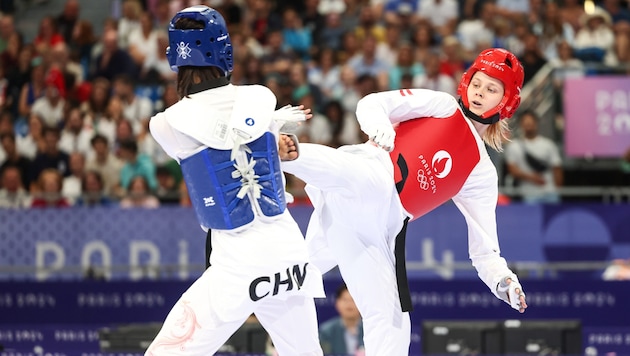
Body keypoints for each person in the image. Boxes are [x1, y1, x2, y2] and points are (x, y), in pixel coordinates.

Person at [281, 48, 528, 355]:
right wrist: (379, 126)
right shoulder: (442, 105)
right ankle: (280, 151)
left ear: (506, 102)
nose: (480, 93)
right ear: (467, 81)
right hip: (369, 174)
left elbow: (485, 250)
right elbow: (372, 103)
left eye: (492, 89)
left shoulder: (481, 174)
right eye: (478, 83)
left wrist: (502, 279)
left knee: (391, 320)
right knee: (364, 180)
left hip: (374, 229)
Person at [145, 6, 324, 356]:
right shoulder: (260, 99)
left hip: (240, 264)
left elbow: (217, 142)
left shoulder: (166, 124)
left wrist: (271, 134)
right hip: (290, 256)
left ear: (175, 57)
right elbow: (240, 136)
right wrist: (271, 132)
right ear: (226, 51)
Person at [504, 110, 563, 204]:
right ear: (521, 125)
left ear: (536, 123)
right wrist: (531, 177)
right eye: (526, 123)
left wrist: (558, 190)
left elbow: (557, 169)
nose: (529, 126)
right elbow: (512, 169)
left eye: (531, 123)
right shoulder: (514, 146)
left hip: (550, 192)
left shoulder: (548, 145)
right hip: (529, 194)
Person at [318, 284, 364, 356]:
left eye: (353, 300)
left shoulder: (371, 328)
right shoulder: (326, 331)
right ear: (337, 303)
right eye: (345, 300)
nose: (349, 304)